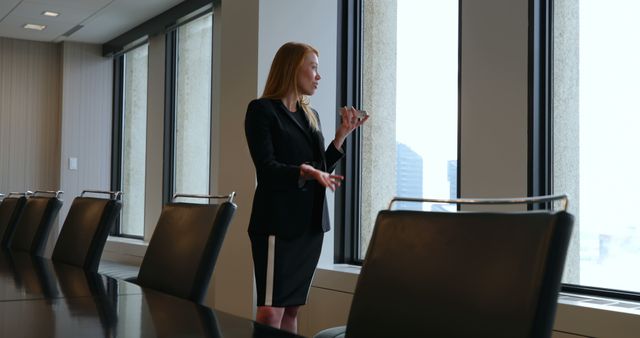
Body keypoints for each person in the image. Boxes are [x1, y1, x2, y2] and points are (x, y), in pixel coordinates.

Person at [244, 42, 368, 333]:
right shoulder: (262, 111)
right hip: (278, 224)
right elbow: (267, 169)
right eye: (313, 67)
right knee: (270, 313)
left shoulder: (309, 116)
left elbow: (321, 171)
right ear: (291, 69)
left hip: (309, 227)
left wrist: (340, 137)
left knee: (291, 311)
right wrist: (305, 171)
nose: (318, 76)